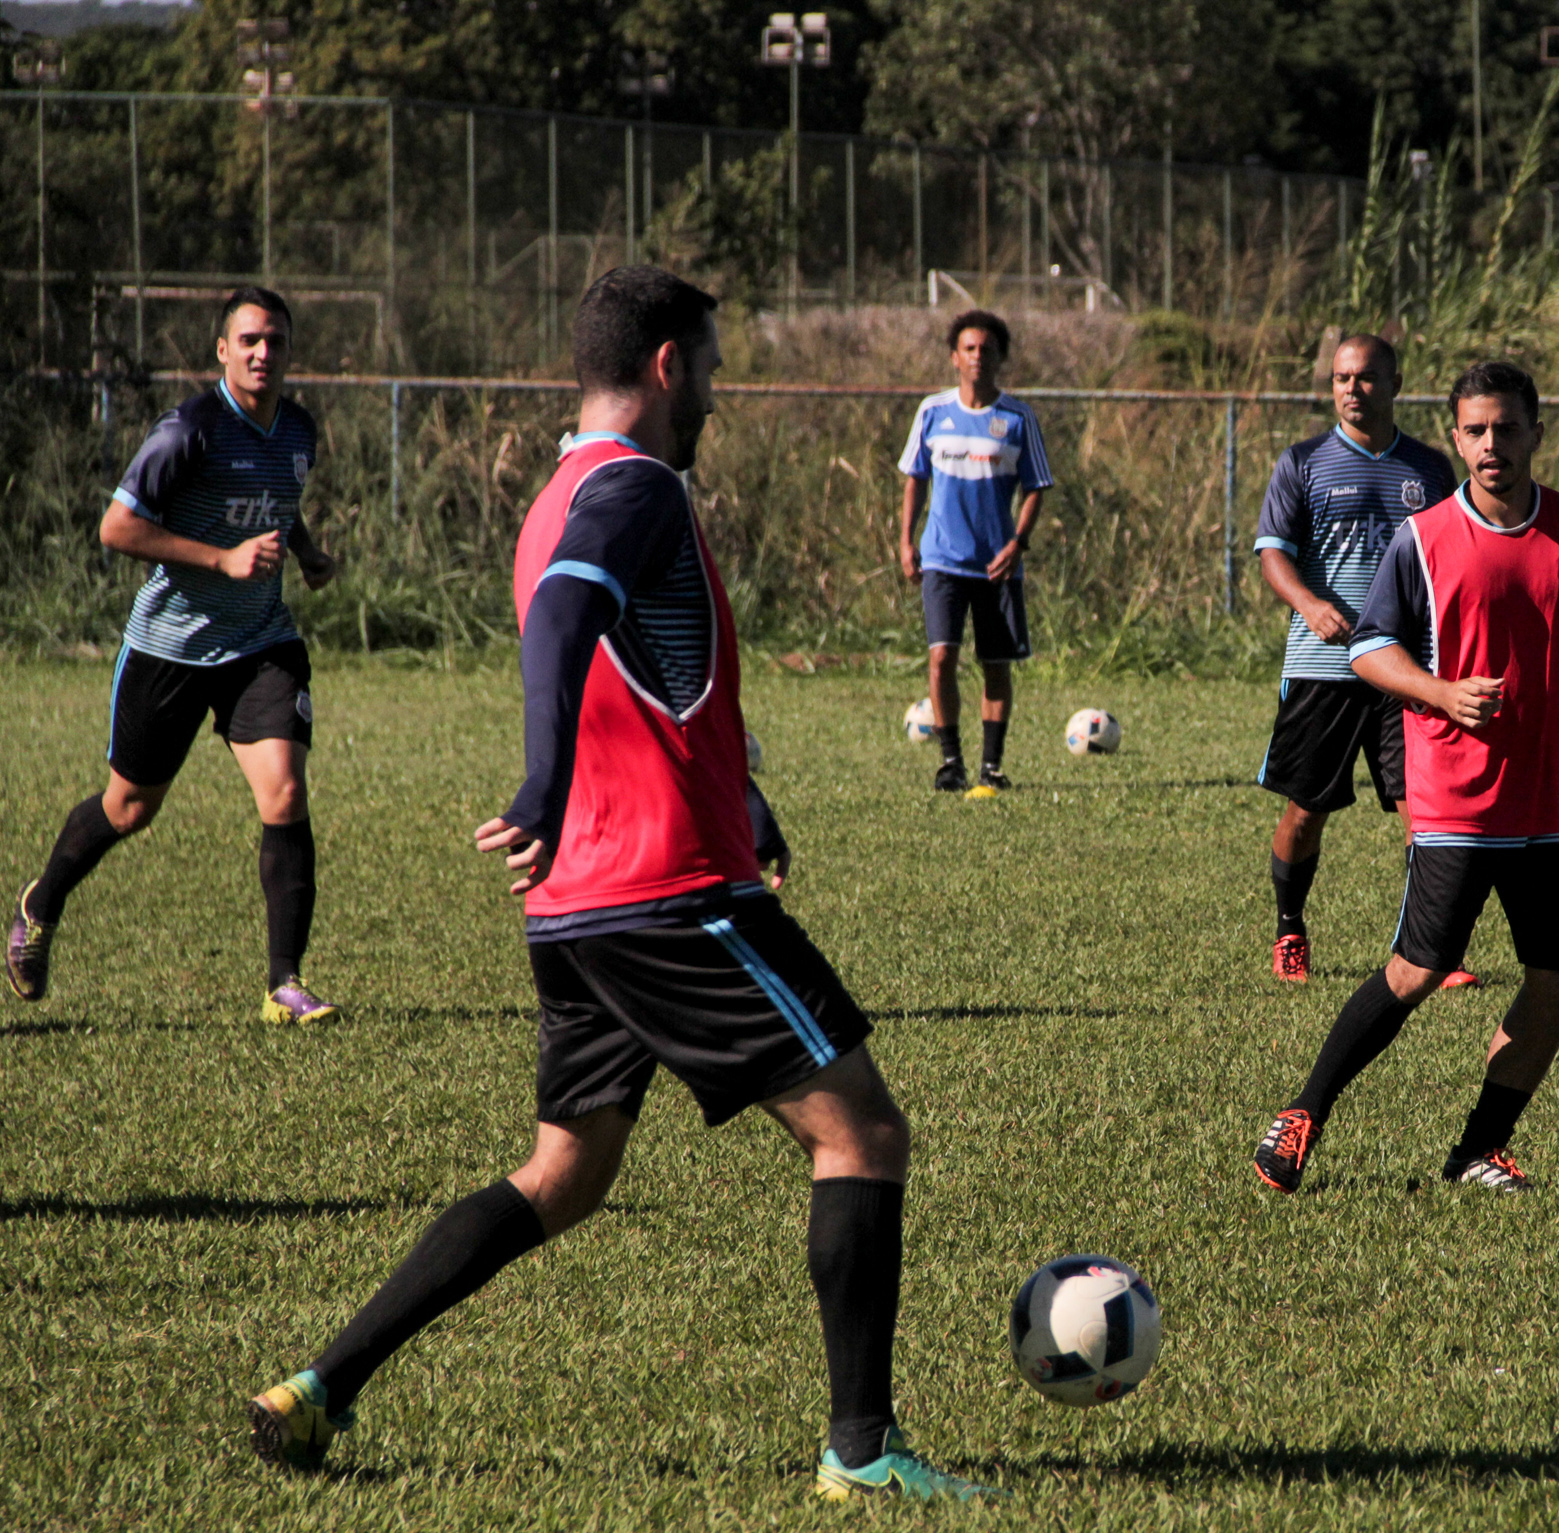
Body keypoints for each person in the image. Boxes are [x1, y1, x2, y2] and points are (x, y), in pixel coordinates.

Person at [246, 267, 996, 1502]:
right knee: (861, 1133)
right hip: (667, 894)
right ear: (663, 366)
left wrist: (731, 790)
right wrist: (540, 783)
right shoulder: (636, 488)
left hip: (582, 902)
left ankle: (319, 1387)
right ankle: (860, 1453)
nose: (715, 389)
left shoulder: (558, 491)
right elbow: (559, 621)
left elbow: (620, 667)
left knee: (565, 1173)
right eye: (707, 364)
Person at [1252, 361, 1559, 1195]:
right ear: (1454, 437)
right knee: (1416, 969)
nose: (1490, 445)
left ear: (1535, 434)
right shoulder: (1426, 537)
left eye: (1506, 428)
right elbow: (1371, 648)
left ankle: (1477, 1147)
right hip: (1460, 802)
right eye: (1474, 430)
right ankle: (1303, 1113)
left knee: (1557, 979)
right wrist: (1440, 691)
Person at [7, 287, 341, 1023]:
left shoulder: (298, 431)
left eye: (276, 342)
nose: (263, 353)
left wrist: (310, 553)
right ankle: (43, 899)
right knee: (129, 807)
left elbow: (283, 499)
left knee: (284, 790)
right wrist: (221, 560)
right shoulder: (190, 428)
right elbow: (118, 528)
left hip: (260, 642)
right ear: (222, 350)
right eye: (249, 340)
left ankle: (284, 983)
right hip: (170, 647)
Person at [1252, 334, 1471, 985]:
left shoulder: (1430, 469)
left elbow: (1450, 560)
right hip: (1324, 670)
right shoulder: (1304, 462)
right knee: (1304, 810)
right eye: (1343, 378)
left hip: (1404, 671)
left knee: (1424, 814)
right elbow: (1272, 553)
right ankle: (1290, 928)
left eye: (1367, 377)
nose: (1353, 388)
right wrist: (1310, 604)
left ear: (1395, 383)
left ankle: (1431, 949)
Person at [896, 309, 1052, 797]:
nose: (978, 356)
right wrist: (905, 540)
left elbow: (1036, 486)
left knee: (995, 664)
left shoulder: (1018, 418)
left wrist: (1017, 543)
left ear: (1000, 358)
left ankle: (991, 767)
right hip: (942, 557)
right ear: (954, 357)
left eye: (987, 349)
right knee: (941, 657)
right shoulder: (933, 412)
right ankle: (950, 763)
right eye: (969, 348)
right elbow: (914, 479)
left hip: (996, 565)